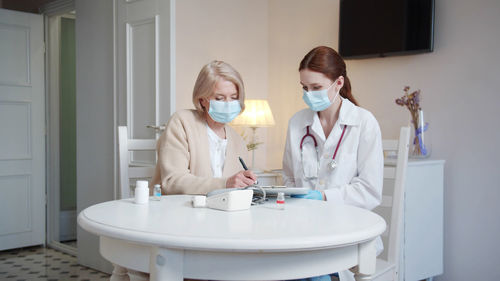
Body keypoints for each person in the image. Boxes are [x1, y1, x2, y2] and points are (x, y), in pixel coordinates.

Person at [283, 46, 384, 281]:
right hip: (303, 229)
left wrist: (324, 197)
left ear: (338, 83)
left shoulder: (364, 122)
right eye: (304, 88)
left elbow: (370, 191)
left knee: (307, 273)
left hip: (347, 230)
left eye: (316, 87)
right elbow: (288, 177)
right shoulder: (297, 123)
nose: (309, 94)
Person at [152, 60, 257, 195]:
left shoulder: (238, 141)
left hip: (219, 213)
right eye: (220, 98)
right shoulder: (182, 122)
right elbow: (172, 182)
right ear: (202, 100)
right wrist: (224, 184)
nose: (228, 104)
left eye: (234, 97)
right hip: (178, 210)